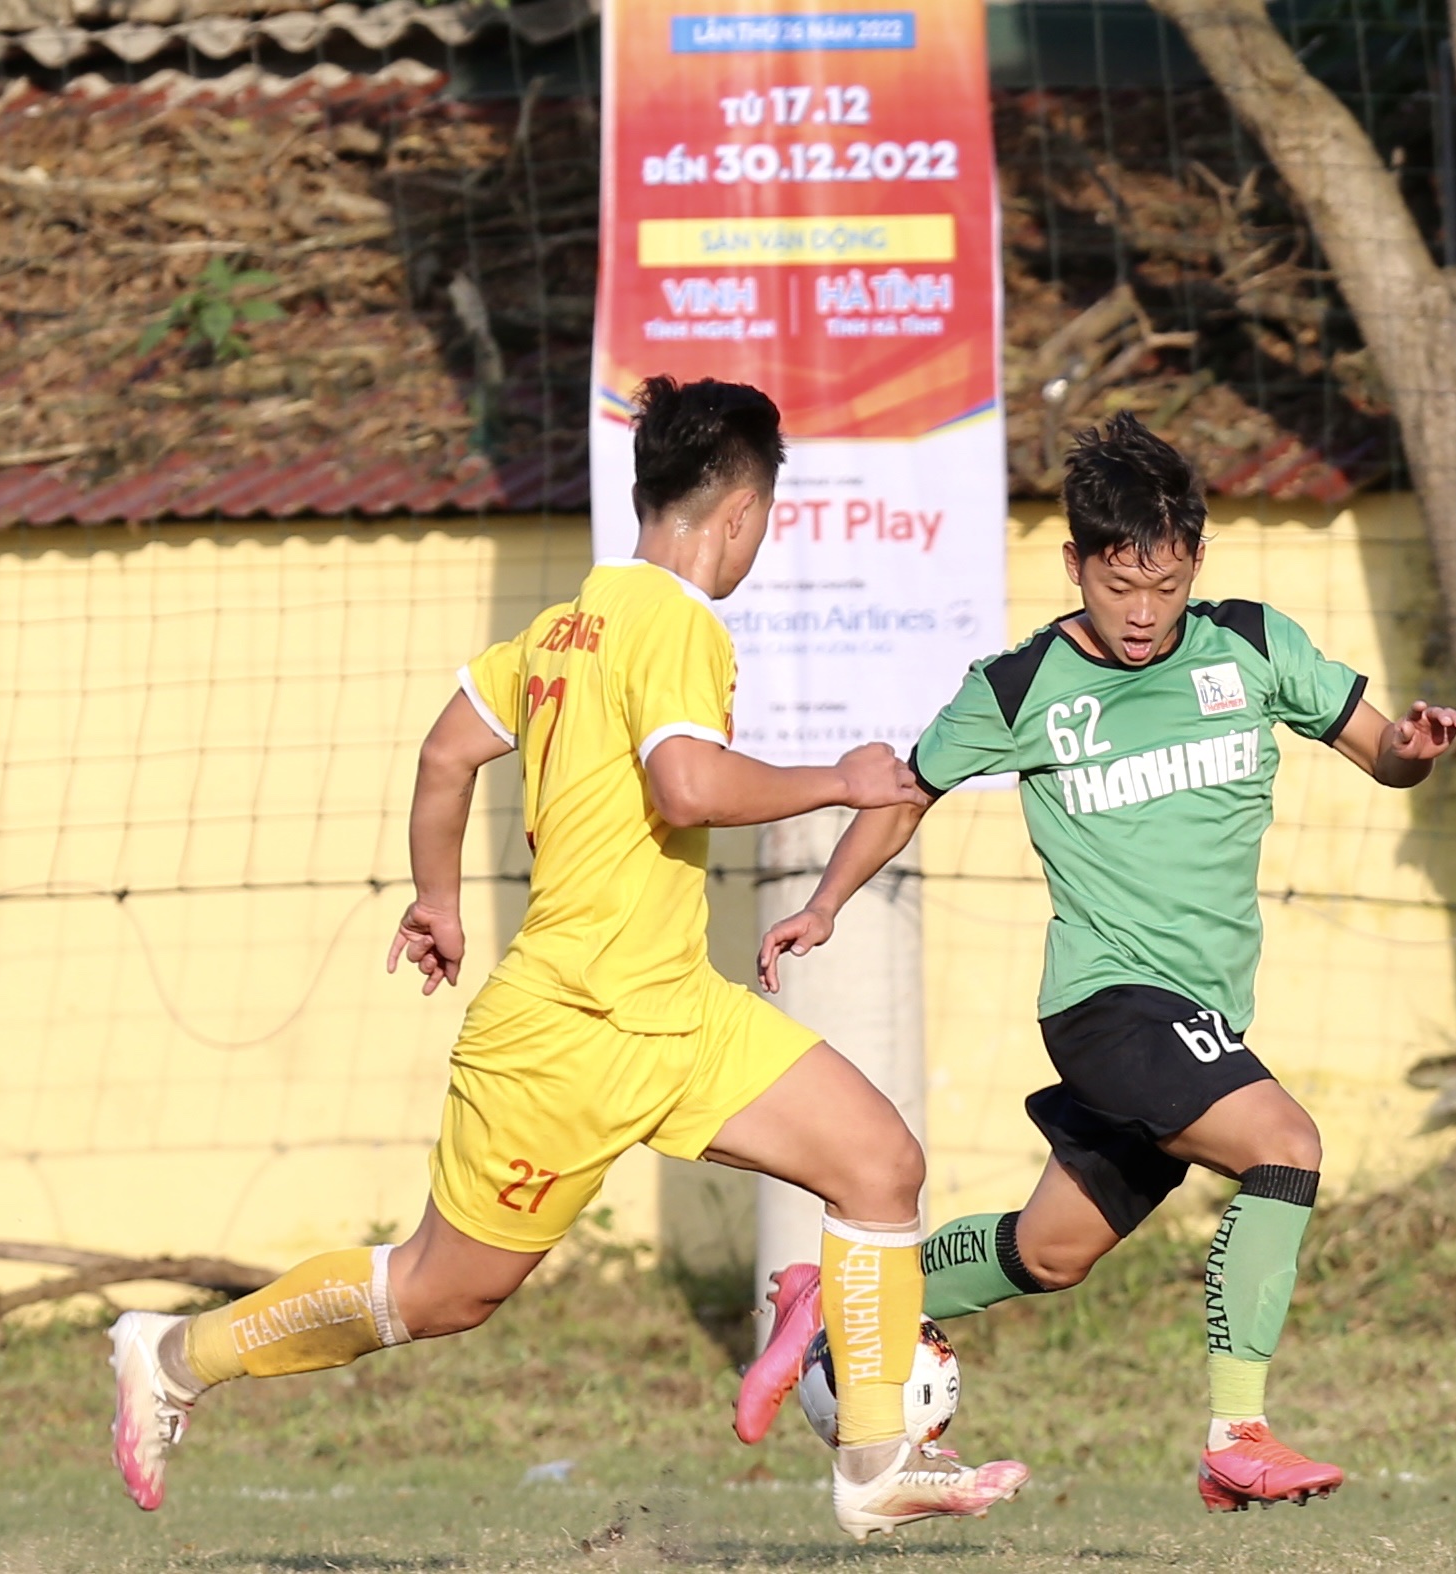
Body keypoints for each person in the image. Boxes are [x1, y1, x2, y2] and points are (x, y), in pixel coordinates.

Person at [106, 376, 1028, 1541]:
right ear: (740, 512)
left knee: (878, 1162)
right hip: (568, 1031)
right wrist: (835, 777)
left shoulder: (563, 626)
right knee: (445, 1289)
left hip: (674, 1010)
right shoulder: (677, 622)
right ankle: (172, 1352)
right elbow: (683, 781)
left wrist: (439, 898)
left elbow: (447, 757)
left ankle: (877, 1457)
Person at [731, 413, 1456, 1511]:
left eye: (1166, 586)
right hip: (1109, 1003)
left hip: (1201, 1014)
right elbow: (909, 794)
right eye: (1120, 584)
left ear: (1195, 566)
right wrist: (826, 901)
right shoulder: (1022, 686)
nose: (1143, 612)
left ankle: (836, 1302)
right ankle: (1240, 1433)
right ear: (1073, 562)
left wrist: (1412, 751)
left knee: (1050, 1251)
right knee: (1287, 1145)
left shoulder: (1254, 646)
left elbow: (1381, 751)